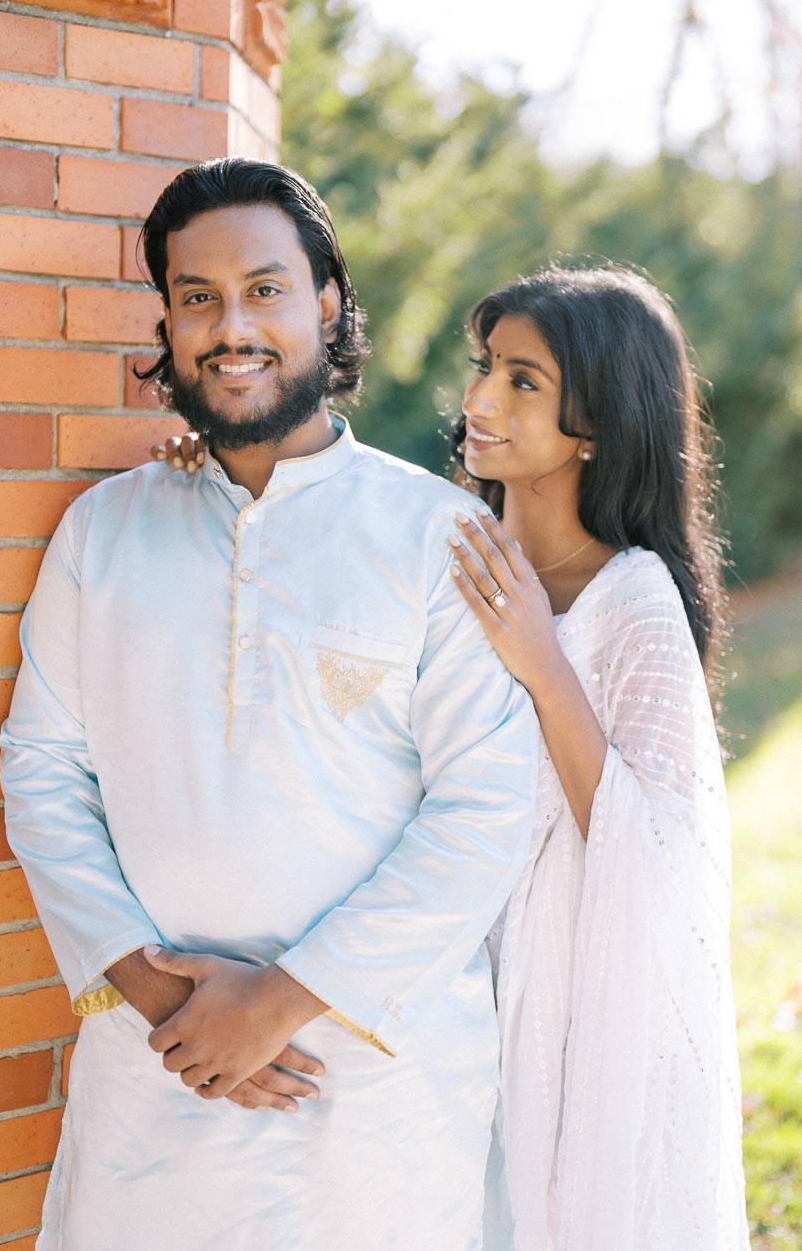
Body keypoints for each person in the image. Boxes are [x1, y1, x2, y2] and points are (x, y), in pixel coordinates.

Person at [0, 158, 539, 1251]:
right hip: (154, 1079)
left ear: (326, 305)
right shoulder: (102, 533)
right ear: (166, 319)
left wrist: (283, 1000)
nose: (229, 325)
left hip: (371, 1092)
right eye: (197, 297)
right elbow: (40, 768)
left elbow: (485, 809)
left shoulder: (436, 537)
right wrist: (159, 998)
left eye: (263, 289)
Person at [160, 261, 750, 1249]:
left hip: (567, 1016)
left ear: (597, 424)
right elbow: (310, 579)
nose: (479, 398)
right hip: (423, 987)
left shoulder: (634, 600)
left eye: (524, 381)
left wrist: (543, 662)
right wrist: (207, 467)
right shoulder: (439, 541)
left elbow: (669, 861)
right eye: (486, 367)